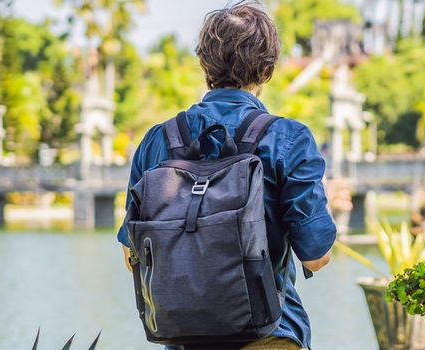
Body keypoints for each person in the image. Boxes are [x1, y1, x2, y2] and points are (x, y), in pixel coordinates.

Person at [116, 2, 336, 349]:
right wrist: (328, 202)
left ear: (205, 63)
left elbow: (134, 257)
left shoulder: (158, 141)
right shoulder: (288, 139)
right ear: (267, 70)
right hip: (270, 336)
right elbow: (316, 256)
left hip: (183, 339)